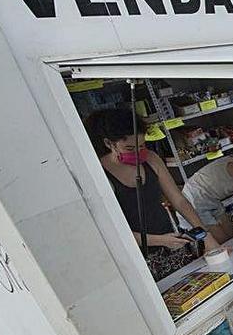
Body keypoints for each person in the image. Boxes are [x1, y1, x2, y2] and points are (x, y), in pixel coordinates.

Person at [85, 108, 220, 280]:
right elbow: (113, 231)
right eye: (129, 148)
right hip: (139, 257)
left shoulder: (151, 159)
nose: (137, 152)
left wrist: (206, 237)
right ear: (109, 143)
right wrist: (160, 240)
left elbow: (179, 200)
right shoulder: (100, 174)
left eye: (141, 146)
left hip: (173, 245)